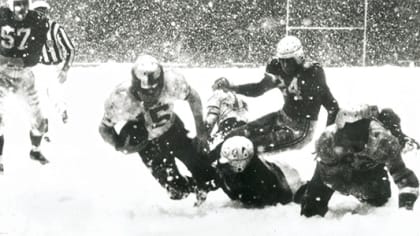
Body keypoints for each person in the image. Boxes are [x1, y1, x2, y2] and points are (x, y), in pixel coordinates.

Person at [99, 55, 217, 205]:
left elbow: (193, 97)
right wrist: (119, 145)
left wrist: (201, 132)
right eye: (146, 92)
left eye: (156, 90)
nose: (152, 95)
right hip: (148, 145)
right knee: (177, 191)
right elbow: (104, 128)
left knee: (206, 173)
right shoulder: (122, 99)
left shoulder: (172, 82)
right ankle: (190, 186)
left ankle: (203, 184)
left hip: (173, 130)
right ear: (135, 87)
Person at [215, 35, 339, 153]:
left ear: (299, 57)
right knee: (235, 136)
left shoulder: (312, 73)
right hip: (282, 116)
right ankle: (207, 161)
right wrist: (233, 87)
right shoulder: (276, 66)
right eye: (282, 61)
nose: (284, 65)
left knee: (248, 146)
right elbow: (259, 88)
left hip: (301, 129)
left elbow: (332, 106)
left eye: (289, 61)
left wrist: (328, 139)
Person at [300, 105, 419, 217]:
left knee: (379, 200)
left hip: (369, 174)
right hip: (337, 173)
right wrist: (313, 195)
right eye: (346, 133)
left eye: (355, 135)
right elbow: (324, 177)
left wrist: (406, 210)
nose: (350, 142)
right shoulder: (327, 141)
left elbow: (404, 177)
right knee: (310, 211)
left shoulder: (383, 142)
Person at [0, 0, 50, 172]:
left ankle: (35, 151)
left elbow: (36, 53)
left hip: (24, 74)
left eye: (24, 4)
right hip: (1, 73)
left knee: (39, 122)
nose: (21, 9)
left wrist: (18, 59)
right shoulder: (2, 15)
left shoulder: (37, 20)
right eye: (17, 4)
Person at [214, 135, 306, 207]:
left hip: (288, 180)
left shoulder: (259, 181)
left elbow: (278, 199)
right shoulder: (227, 167)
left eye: (229, 163)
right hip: (277, 169)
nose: (226, 167)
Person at [31, 0, 75, 124]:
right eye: (37, 12)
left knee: (57, 96)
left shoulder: (55, 28)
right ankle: (44, 125)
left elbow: (70, 49)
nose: (40, 15)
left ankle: (64, 118)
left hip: (55, 66)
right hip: (39, 68)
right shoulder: (29, 30)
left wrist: (65, 70)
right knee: (39, 98)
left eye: (42, 12)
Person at [205, 77, 248, 149]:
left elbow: (212, 117)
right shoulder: (240, 99)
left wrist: (204, 136)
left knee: (212, 151)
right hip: (245, 128)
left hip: (228, 126)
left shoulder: (218, 94)